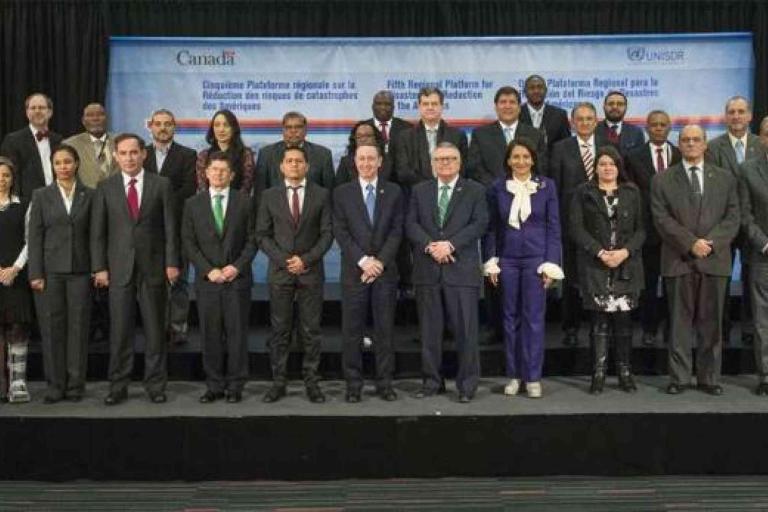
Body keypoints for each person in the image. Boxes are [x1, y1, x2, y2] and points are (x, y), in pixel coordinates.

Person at [91, 133, 179, 405]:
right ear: (116, 156)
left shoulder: (161, 185)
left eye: (134, 152)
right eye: (123, 153)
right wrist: (99, 268)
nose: (129, 158)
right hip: (118, 271)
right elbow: (98, 234)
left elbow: (170, 229)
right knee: (120, 331)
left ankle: (155, 385)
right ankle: (118, 386)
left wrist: (172, 262)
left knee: (155, 331)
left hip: (153, 269)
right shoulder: (105, 187)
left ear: (144, 154)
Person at [651, 125, 740, 395]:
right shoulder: (662, 179)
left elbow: (733, 217)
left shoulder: (725, 178)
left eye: (696, 140)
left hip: (715, 259)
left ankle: (709, 378)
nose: (691, 144)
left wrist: (710, 244)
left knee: (711, 324)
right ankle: (679, 378)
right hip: (679, 259)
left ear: (705, 145)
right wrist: (691, 244)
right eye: (686, 140)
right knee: (679, 323)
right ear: (680, 145)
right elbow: (661, 218)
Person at [406, 142, 488, 403]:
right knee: (430, 333)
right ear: (432, 164)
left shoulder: (475, 190)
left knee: (466, 333)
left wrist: (450, 245)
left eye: (450, 159)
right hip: (428, 271)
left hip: (461, 271)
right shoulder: (420, 190)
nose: (445, 163)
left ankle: (466, 386)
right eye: (440, 159)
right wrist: (431, 246)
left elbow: (480, 223)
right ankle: (432, 382)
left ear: (459, 162)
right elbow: (411, 224)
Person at [482, 138, 562, 398]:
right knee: (509, 318)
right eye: (516, 157)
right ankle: (514, 375)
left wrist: (551, 264)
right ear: (508, 160)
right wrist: (491, 262)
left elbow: (553, 227)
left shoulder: (547, 186)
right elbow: (492, 228)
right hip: (508, 260)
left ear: (533, 160)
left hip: (536, 260)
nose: (521, 161)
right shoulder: (497, 187)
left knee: (534, 319)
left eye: (526, 157)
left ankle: (533, 377)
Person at [256, 145, 333, 404]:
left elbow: (327, 234)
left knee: (311, 330)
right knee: (280, 330)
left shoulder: (321, 195)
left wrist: (306, 260)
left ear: (307, 166)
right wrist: (286, 260)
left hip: (311, 272)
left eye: (299, 161)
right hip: (280, 272)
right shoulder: (269, 196)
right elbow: (262, 235)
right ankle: (279, 382)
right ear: (281, 166)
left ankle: (312, 381)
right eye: (289, 161)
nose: (294, 165)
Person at [570, 146, 645, 394]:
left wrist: (624, 253)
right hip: (596, 266)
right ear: (596, 167)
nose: (607, 167)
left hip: (626, 266)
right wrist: (600, 253)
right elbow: (576, 228)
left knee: (624, 323)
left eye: (611, 163)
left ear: (618, 167)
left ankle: (624, 372)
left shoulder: (632, 192)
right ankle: (598, 373)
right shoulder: (584, 192)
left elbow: (642, 230)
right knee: (599, 323)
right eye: (602, 163)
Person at [183, 152, 256, 404]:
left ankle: (236, 385)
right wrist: (207, 269)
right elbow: (188, 243)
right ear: (206, 172)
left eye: (224, 170)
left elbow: (252, 239)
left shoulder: (245, 202)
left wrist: (236, 267)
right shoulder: (193, 204)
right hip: (207, 282)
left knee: (237, 334)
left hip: (237, 279)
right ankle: (213, 385)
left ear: (232, 175)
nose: (218, 174)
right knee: (210, 334)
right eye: (214, 169)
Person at [333, 143, 404, 402]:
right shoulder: (342, 193)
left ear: (380, 161)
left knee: (384, 330)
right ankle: (353, 385)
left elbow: (397, 231)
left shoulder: (394, 191)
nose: (366, 163)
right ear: (355, 161)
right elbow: (340, 231)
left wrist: (380, 262)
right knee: (352, 331)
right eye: (361, 159)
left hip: (384, 272)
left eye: (370, 159)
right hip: (355, 272)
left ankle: (384, 383)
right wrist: (364, 261)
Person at [27, 144, 93, 403]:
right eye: (58, 163)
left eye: (68, 162)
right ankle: (55, 386)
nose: (63, 167)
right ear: (53, 166)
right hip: (49, 273)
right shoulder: (41, 195)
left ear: (76, 163)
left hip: (80, 271)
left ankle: (76, 385)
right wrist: (35, 273)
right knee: (52, 329)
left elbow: (95, 235)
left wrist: (97, 268)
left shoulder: (91, 194)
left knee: (78, 329)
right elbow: (35, 237)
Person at [706, 96, 768, 345]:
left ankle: (750, 330)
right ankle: (722, 329)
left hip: (755, 225)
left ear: (750, 116)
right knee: (721, 280)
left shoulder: (760, 142)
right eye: (731, 112)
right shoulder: (713, 147)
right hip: (725, 223)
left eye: (741, 111)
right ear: (726, 116)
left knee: (753, 281)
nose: (736, 116)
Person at [549, 102, 607, 346]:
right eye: (580, 119)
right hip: (571, 224)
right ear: (572, 123)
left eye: (589, 118)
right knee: (572, 278)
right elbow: (555, 188)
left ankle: (600, 327)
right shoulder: (561, 148)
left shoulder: (607, 148)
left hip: (603, 224)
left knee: (600, 278)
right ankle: (570, 327)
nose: (584, 122)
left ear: (596, 121)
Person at [625, 110, 682, 346]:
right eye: (654, 125)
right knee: (648, 286)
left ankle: (672, 330)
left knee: (674, 287)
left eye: (663, 125)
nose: (658, 128)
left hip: (676, 234)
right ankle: (649, 329)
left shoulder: (680, 155)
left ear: (670, 128)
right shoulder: (633, 156)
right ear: (647, 128)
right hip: (647, 233)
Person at [144, 109, 198, 345]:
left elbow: (188, 189)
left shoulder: (188, 155)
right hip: (148, 229)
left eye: (168, 124)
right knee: (152, 282)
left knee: (180, 281)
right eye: (158, 124)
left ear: (174, 127)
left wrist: (162, 204)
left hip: (178, 227)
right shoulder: (140, 154)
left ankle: (177, 327)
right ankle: (154, 328)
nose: (163, 128)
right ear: (151, 127)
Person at [468, 85, 547, 186]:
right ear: (496, 107)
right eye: (503, 102)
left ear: (519, 108)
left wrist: (523, 185)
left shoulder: (535, 135)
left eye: (512, 102)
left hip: (527, 193)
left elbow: (541, 167)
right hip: (492, 194)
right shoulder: (480, 135)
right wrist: (498, 187)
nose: (507, 106)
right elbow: (475, 169)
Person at [0, 157, 32, 403]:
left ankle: (18, 383)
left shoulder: (24, 205)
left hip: (16, 276)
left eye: (6, 176)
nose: (2, 180)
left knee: (17, 327)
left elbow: (31, 240)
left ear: (13, 179)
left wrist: (15, 268)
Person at [394, 87, 469, 189]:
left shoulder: (457, 135)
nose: (430, 107)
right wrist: (430, 187)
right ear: (419, 107)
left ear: (442, 106)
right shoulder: (405, 137)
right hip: (416, 194)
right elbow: (403, 172)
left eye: (434, 104)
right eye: (425, 104)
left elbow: (463, 169)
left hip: (451, 192)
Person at [738, 146, 768, 394]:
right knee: (763, 322)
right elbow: (745, 214)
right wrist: (764, 244)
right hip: (763, 255)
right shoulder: (748, 169)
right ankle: (766, 376)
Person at [254, 111, 334, 198]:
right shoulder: (266, 154)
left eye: (298, 127)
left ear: (305, 130)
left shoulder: (322, 155)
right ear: (283, 130)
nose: (293, 131)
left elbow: (329, 193)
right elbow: (259, 193)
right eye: (288, 127)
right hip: (275, 210)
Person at [0, 93, 63, 203]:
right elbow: (10, 175)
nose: (37, 111)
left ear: (50, 112)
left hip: (57, 202)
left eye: (42, 107)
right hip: (27, 203)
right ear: (27, 113)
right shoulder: (13, 140)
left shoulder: (58, 140)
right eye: (33, 108)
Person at [195, 109, 255, 194]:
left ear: (233, 128)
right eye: (217, 125)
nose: (221, 129)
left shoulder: (245, 154)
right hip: (210, 204)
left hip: (238, 204)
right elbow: (202, 187)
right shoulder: (204, 156)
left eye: (226, 125)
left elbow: (247, 185)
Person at [63, 103, 118, 189]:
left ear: (107, 119)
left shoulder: (120, 141)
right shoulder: (70, 145)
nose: (95, 118)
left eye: (100, 114)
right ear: (83, 121)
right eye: (90, 115)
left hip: (116, 198)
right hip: (86, 199)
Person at [519, 75, 571, 152]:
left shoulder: (560, 115)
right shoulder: (517, 114)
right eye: (532, 88)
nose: (536, 91)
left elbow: (566, 145)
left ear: (546, 90)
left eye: (540, 87)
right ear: (525, 92)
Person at [334, 121, 387, 186]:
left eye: (368, 136)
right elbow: (339, 189)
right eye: (359, 137)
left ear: (376, 138)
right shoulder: (346, 162)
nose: (363, 139)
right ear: (354, 141)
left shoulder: (387, 161)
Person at [595, 91, 645, 155]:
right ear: (604, 107)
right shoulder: (594, 130)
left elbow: (640, 160)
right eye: (611, 104)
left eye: (620, 104)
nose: (615, 107)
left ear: (626, 108)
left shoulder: (636, 133)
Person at [364, 90, 411, 156]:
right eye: (379, 104)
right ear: (373, 107)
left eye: (387, 104)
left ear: (393, 107)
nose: (383, 107)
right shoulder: (362, 128)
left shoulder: (407, 128)